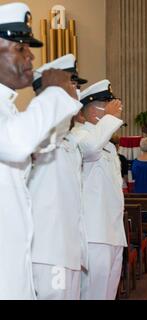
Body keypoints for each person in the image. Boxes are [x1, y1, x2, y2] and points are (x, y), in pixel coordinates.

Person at [0, 2, 82, 300]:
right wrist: (54, 93)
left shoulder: (7, 110)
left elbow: (39, 142)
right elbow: (16, 144)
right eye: (21, 47)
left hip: (14, 261)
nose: (31, 56)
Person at [28, 54, 88, 300]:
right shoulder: (40, 133)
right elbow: (51, 126)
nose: (77, 92)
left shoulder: (66, 142)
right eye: (72, 84)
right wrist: (58, 94)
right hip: (50, 252)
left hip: (67, 251)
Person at [74, 80, 127, 300]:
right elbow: (89, 149)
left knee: (107, 294)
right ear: (87, 111)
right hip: (93, 233)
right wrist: (111, 118)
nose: (112, 108)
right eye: (105, 104)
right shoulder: (80, 136)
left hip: (113, 231)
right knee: (92, 294)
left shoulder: (109, 145)